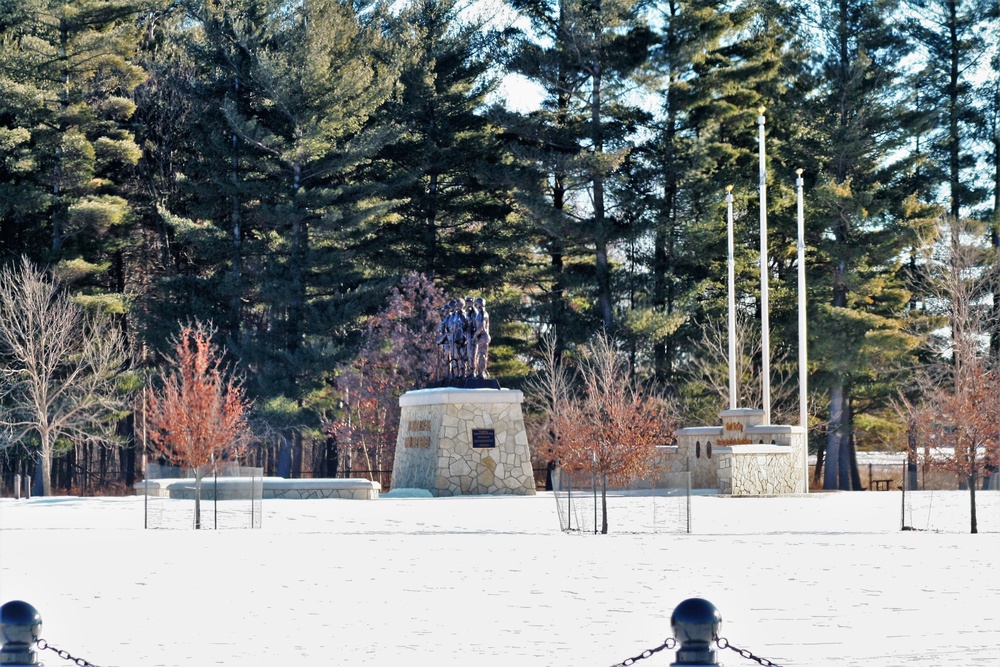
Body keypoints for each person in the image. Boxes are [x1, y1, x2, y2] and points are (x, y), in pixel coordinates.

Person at [471, 297, 491, 377]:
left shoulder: (482, 313)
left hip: (483, 336)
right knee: (479, 355)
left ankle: (481, 372)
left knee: (482, 355)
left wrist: (474, 336)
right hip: (481, 336)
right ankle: (480, 372)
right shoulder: (479, 313)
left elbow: (481, 327)